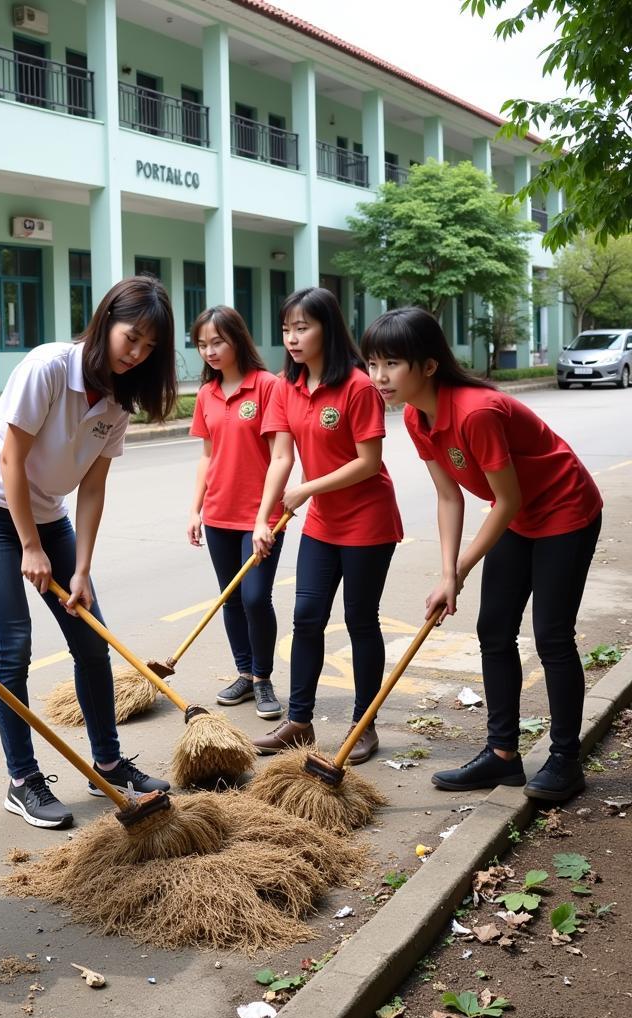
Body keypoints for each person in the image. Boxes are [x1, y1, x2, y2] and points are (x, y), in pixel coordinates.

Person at [0, 275, 177, 829]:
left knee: (91, 639)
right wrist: (29, 546)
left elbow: (94, 487)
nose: (138, 354)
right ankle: (22, 780)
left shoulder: (118, 402)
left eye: (151, 347)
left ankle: (107, 763)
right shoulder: (49, 366)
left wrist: (80, 568)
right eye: (133, 338)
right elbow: (10, 460)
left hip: (50, 518)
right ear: (106, 322)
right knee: (13, 645)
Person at [362, 307, 603, 801]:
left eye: (391, 364)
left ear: (428, 366)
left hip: (564, 509)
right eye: (371, 363)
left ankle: (564, 760)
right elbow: (449, 496)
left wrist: (463, 568)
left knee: (552, 636)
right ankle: (502, 756)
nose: (379, 377)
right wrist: (447, 572)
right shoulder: (415, 414)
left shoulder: (476, 412)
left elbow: (508, 499)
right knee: (493, 629)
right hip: (516, 516)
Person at [251, 286, 402, 763]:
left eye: (303, 327)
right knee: (307, 617)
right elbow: (280, 456)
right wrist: (264, 516)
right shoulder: (285, 386)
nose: (292, 338)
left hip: (368, 522)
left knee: (360, 621)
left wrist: (308, 488)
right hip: (321, 522)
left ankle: (364, 724)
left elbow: (368, 461)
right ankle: (299, 721)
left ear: (327, 329)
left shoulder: (358, 386)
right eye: (286, 329)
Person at [186, 305, 284, 719]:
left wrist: (265, 517)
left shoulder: (267, 386)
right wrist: (194, 510)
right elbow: (207, 456)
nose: (209, 351)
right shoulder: (207, 394)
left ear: (237, 340)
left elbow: (281, 454)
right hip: (218, 514)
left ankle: (263, 679)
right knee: (230, 599)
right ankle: (244, 673)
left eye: (217, 342)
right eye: (202, 344)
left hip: (260, 517)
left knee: (256, 597)